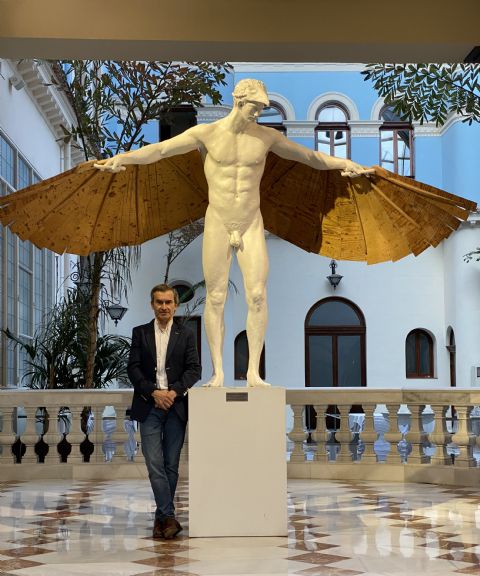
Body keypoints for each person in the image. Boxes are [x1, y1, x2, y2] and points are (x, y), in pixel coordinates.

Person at [96, 79, 374, 388]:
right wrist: (123, 158)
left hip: (251, 222)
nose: (258, 113)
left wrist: (344, 163)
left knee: (257, 295)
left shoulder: (266, 137)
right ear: (239, 101)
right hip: (218, 221)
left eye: (261, 108)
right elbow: (161, 150)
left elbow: (309, 157)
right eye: (254, 107)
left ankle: (253, 372)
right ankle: (218, 372)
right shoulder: (207, 134)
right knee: (216, 297)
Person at [127, 283, 201, 539]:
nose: (164, 307)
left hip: (176, 407)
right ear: (152, 305)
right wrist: (153, 392)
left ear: (175, 305)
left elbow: (194, 369)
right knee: (154, 464)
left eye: (168, 302)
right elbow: (133, 368)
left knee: (171, 465)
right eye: (159, 302)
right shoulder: (140, 333)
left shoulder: (187, 334)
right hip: (148, 405)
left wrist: (173, 392)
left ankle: (162, 519)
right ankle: (168, 516)